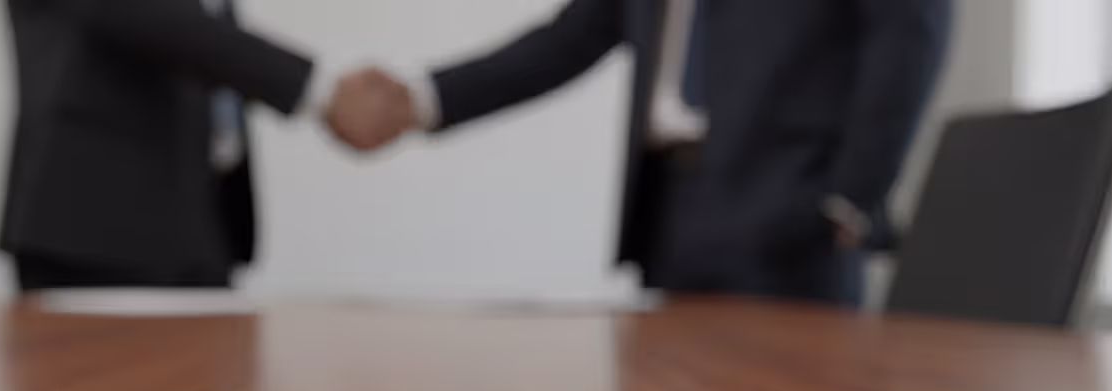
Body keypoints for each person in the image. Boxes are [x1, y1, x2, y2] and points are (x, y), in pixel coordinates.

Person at [330, 0, 953, 305]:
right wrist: (419, 100)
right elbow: (564, 42)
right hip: (669, 209)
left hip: (791, 206)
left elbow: (909, 36)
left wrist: (849, 197)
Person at [0, 0, 410, 291]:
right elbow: (145, 15)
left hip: (200, 218)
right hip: (92, 224)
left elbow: (207, 35)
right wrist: (319, 92)